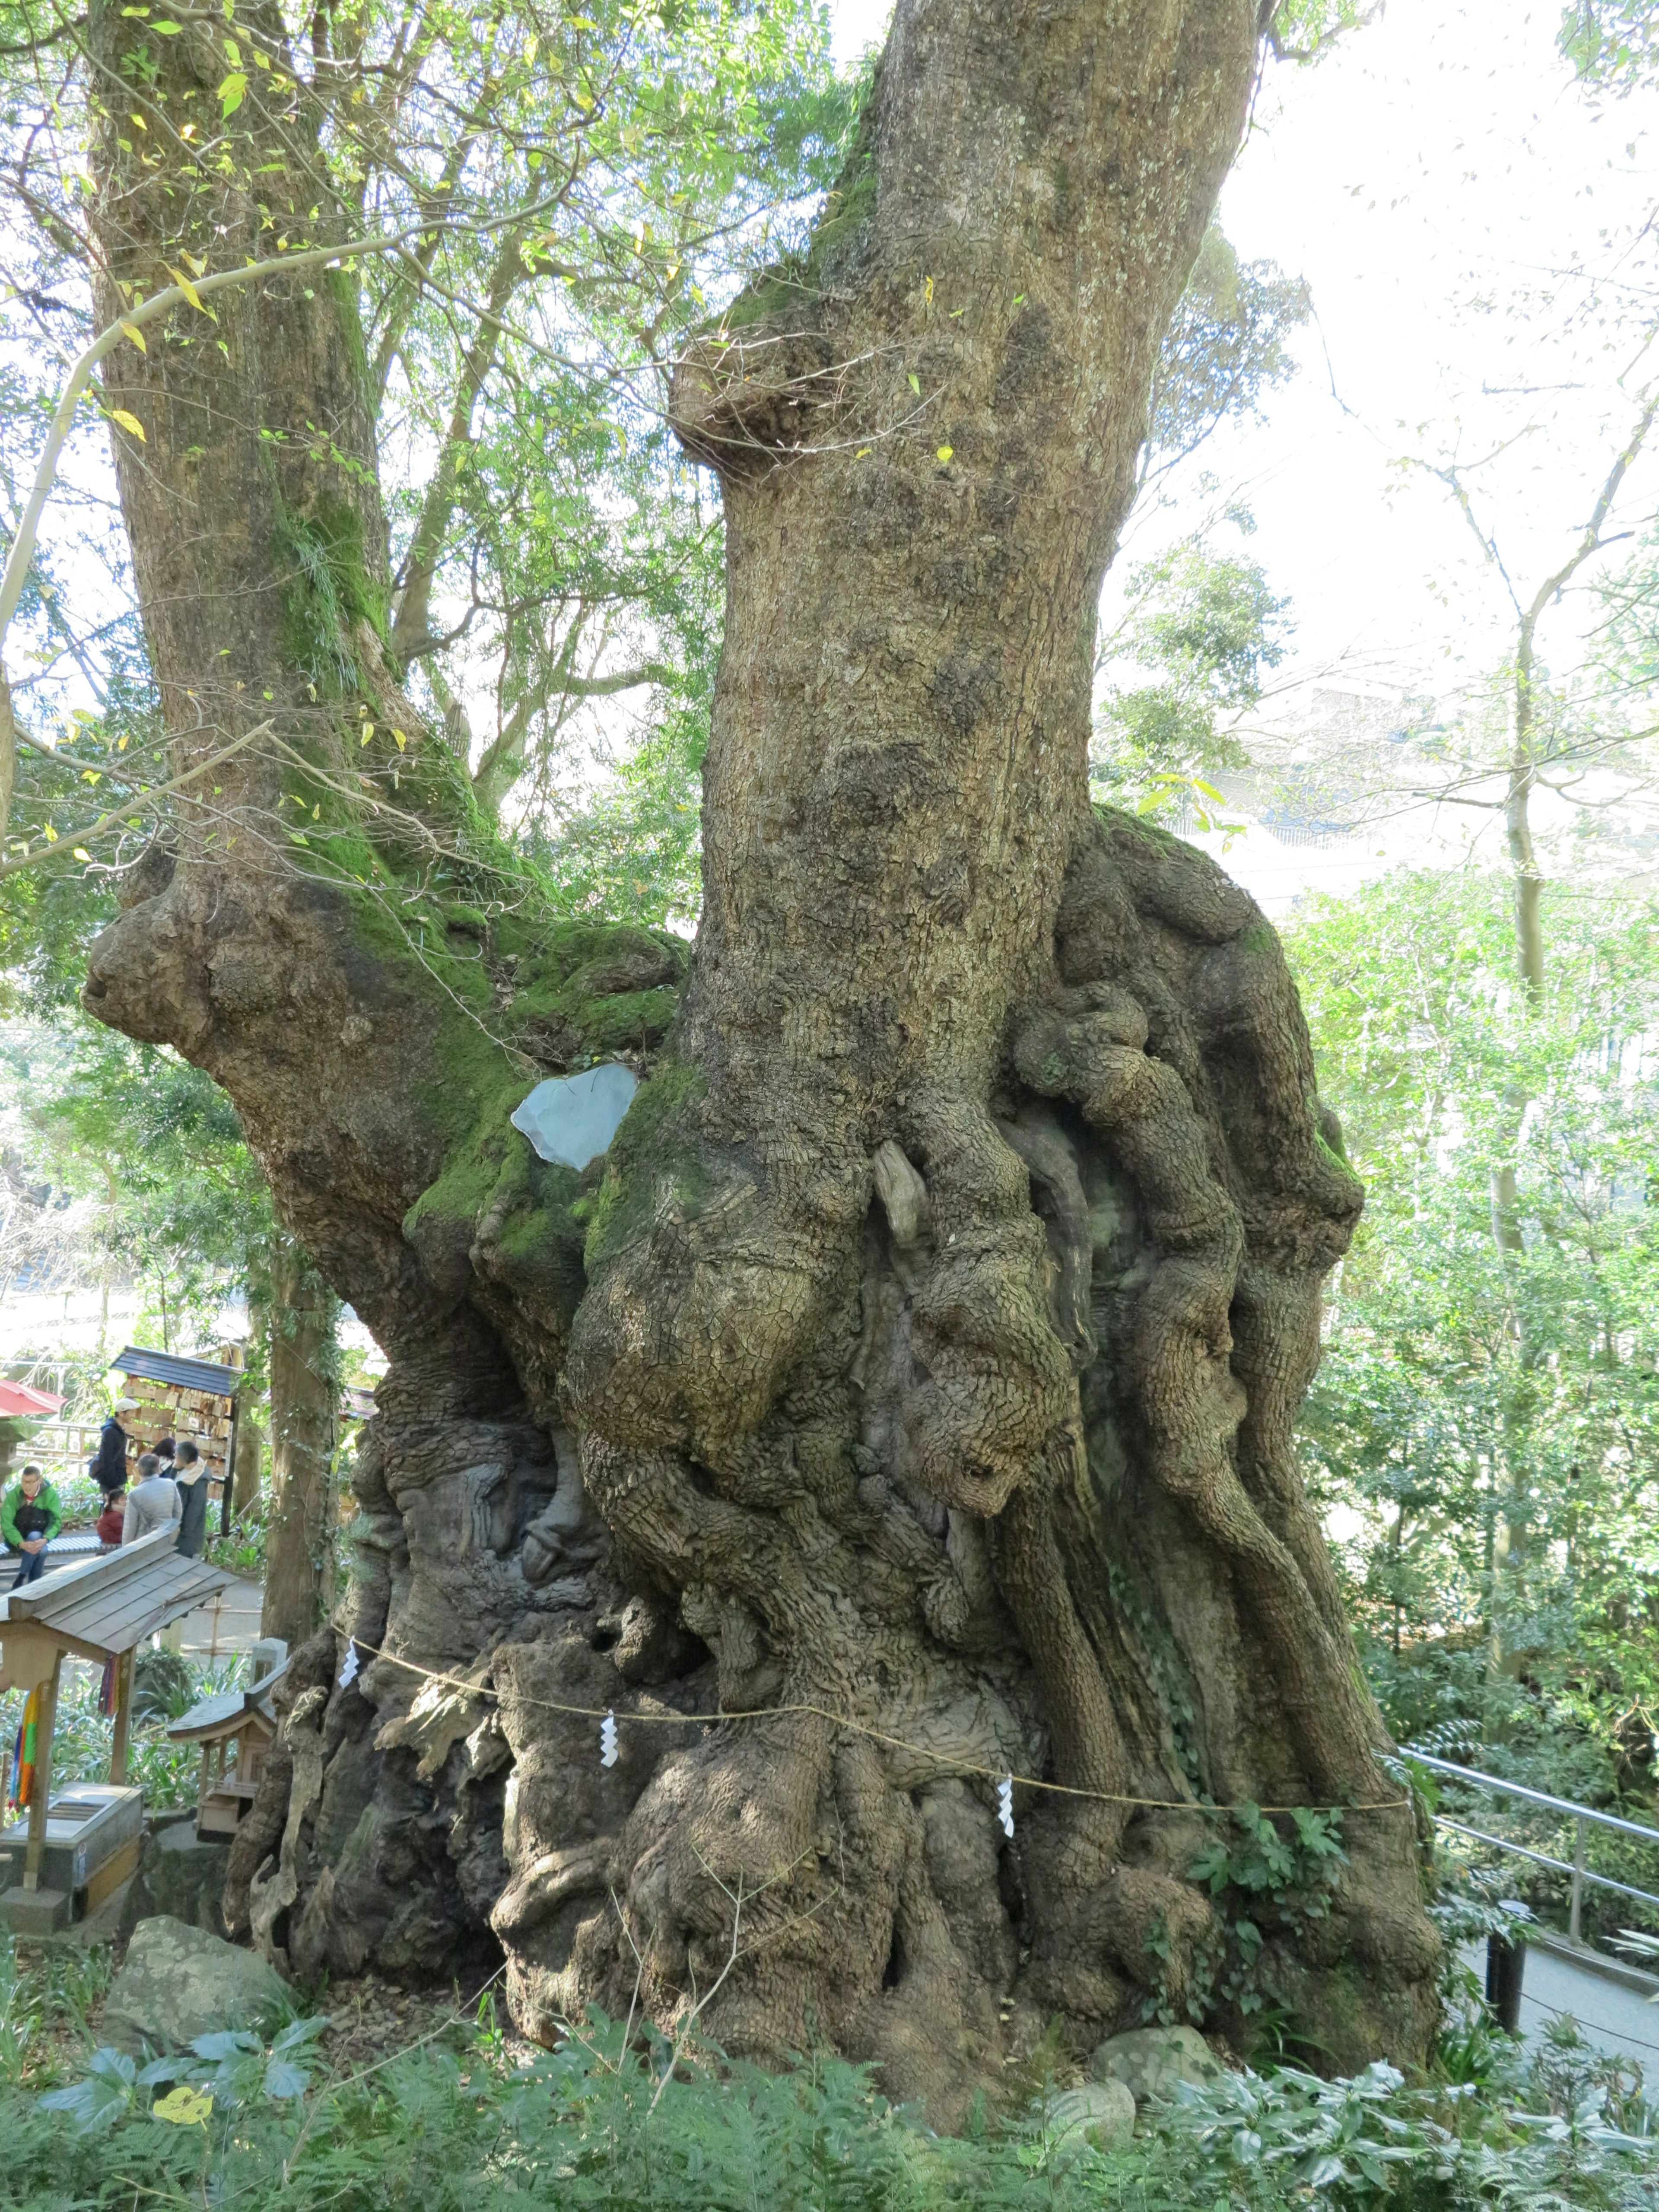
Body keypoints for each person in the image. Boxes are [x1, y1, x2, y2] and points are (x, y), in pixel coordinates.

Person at [2, 1464, 63, 1586]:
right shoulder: (15, 1494)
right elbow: (6, 1523)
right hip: (16, 1539)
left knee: (35, 1537)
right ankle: (33, 1585)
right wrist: (21, 1543)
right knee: (42, 1552)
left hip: (39, 1536)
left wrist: (45, 1539)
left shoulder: (50, 1495)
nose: (26, 1486)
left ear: (39, 1481)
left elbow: (56, 1521)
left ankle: (22, 1577)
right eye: (24, 1481)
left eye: (30, 1482)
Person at [122, 1451, 181, 1544]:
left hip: (144, 1542)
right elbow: (178, 1512)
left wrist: (125, 1549)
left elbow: (130, 1527)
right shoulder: (171, 1485)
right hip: (166, 1538)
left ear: (139, 1471)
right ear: (158, 1469)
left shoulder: (135, 1495)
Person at [173, 1440, 213, 1558]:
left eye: (176, 1455)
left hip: (186, 1534)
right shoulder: (183, 1470)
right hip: (176, 1525)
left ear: (183, 1457)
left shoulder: (199, 1479)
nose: (175, 1457)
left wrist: (185, 1531)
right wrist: (174, 1469)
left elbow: (195, 1507)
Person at [89, 1410, 128, 1492]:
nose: (134, 1415)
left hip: (117, 1477)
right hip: (110, 1479)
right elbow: (107, 1458)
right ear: (121, 1413)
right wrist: (113, 1482)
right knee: (110, 1503)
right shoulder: (110, 1431)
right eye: (132, 1412)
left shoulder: (120, 1430)